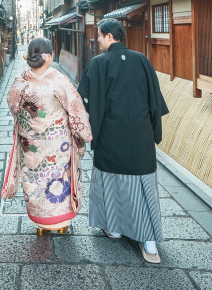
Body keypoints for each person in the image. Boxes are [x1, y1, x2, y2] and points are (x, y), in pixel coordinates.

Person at [78, 19, 169, 263]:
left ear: (109, 36)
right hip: (141, 135)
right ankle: (148, 242)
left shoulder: (98, 64)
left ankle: (115, 229)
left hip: (110, 134)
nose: (97, 41)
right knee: (143, 185)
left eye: (99, 36)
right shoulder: (142, 60)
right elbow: (154, 100)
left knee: (112, 180)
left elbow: (82, 100)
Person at [2, 37, 92, 234]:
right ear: (49, 57)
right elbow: (76, 110)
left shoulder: (20, 82)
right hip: (58, 144)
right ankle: (60, 224)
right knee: (58, 179)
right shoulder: (59, 81)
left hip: (30, 143)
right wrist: (84, 134)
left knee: (34, 179)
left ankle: (40, 224)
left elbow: (13, 107)